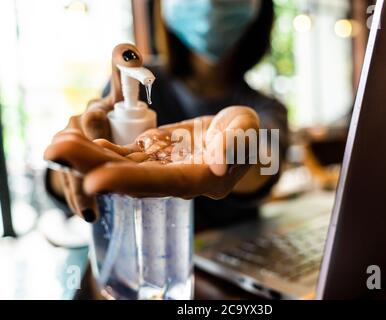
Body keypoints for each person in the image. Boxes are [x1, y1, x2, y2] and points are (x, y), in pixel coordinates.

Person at [45, 0, 288, 231]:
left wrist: (240, 150)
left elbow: (266, 166)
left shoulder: (268, 109)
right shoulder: (133, 89)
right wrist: (74, 160)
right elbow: (67, 182)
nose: (210, 3)